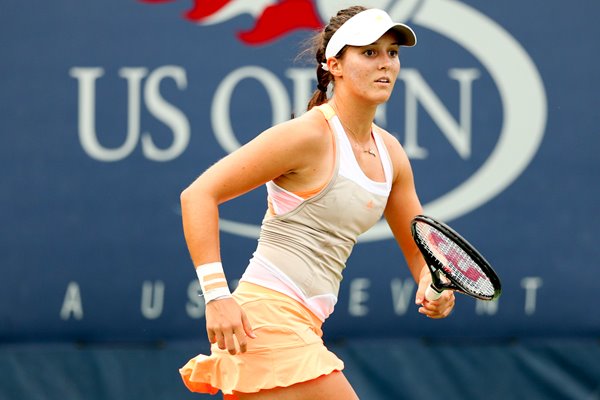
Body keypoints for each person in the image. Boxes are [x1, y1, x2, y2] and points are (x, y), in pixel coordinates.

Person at [179, 6, 455, 400]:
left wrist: (432, 284)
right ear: (335, 64)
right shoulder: (307, 135)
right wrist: (217, 295)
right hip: (265, 322)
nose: (386, 64)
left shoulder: (392, 154)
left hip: (304, 325)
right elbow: (198, 195)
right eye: (369, 52)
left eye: (392, 53)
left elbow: (419, 250)